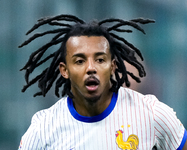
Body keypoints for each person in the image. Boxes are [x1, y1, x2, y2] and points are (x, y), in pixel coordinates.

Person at [18, 14, 187, 150]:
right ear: (64, 70)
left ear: (113, 66)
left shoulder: (153, 114)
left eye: (100, 60)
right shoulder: (43, 129)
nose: (91, 68)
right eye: (79, 61)